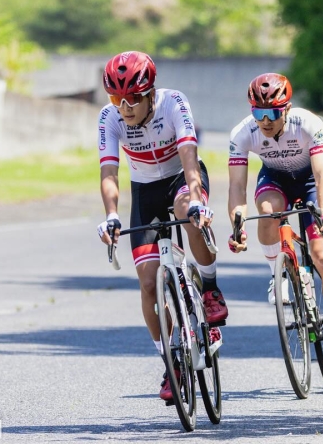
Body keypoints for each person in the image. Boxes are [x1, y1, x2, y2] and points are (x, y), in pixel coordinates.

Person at [95, 51, 228, 401]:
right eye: (117, 99)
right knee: (148, 283)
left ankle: (210, 288)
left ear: (151, 93)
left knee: (187, 212)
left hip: (181, 179)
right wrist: (111, 214)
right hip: (145, 191)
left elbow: (189, 155)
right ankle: (171, 363)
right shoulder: (109, 117)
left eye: (133, 98)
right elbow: (109, 172)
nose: (125, 107)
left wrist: (197, 199)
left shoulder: (173, 103)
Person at [226, 73, 323, 371]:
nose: (265, 121)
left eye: (272, 113)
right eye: (258, 113)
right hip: (275, 179)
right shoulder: (242, 133)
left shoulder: (308, 124)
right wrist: (237, 225)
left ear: (286, 109)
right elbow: (236, 188)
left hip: (310, 181)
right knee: (268, 210)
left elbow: (322, 176)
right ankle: (279, 274)